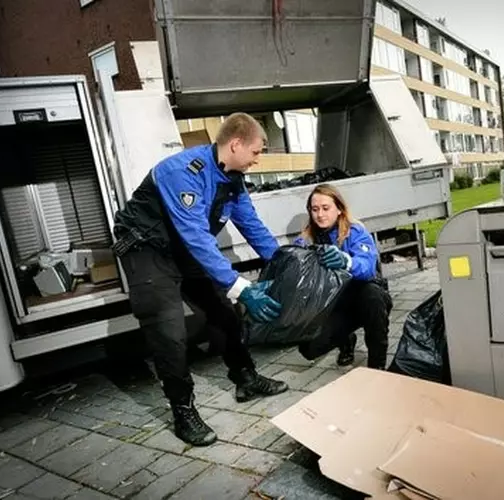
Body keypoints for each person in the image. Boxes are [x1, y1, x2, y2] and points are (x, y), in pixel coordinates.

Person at [111, 113, 288, 447]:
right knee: (170, 332)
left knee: (223, 311)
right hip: (148, 250)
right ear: (236, 144)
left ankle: (245, 377)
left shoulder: (233, 178)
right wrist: (240, 285)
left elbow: (250, 223)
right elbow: (196, 235)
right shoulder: (182, 171)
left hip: (183, 247)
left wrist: (284, 262)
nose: (257, 160)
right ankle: (183, 411)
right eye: (256, 151)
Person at [294, 184, 393, 369]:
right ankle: (346, 339)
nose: (320, 215)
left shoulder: (356, 232)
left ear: (339, 209)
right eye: (315, 209)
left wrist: (346, 261)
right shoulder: (305, 239)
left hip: (363, 293)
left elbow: (367, 267)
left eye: (326, 208)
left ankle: (377, 368)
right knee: (309, 349)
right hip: (333, 301)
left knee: (373, 298)